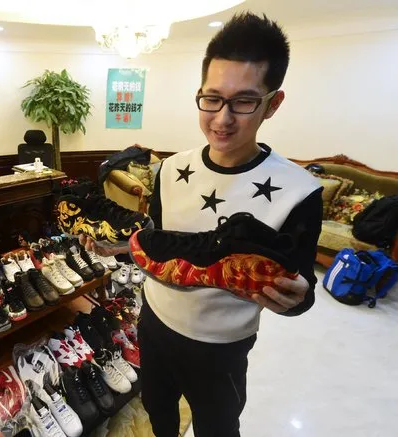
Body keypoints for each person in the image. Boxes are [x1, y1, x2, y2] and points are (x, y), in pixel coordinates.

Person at [81, 12, 323, 437]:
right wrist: (116, 247)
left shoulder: (299, 191)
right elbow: (157, 243)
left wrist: (298, 298)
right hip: (154, 323)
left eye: (244, 101)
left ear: (274, 103)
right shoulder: (170, 169)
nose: (222, 118)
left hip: (222, 348)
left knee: (218, 427)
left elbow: (301, 286)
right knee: (159, 411)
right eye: (212, 98)